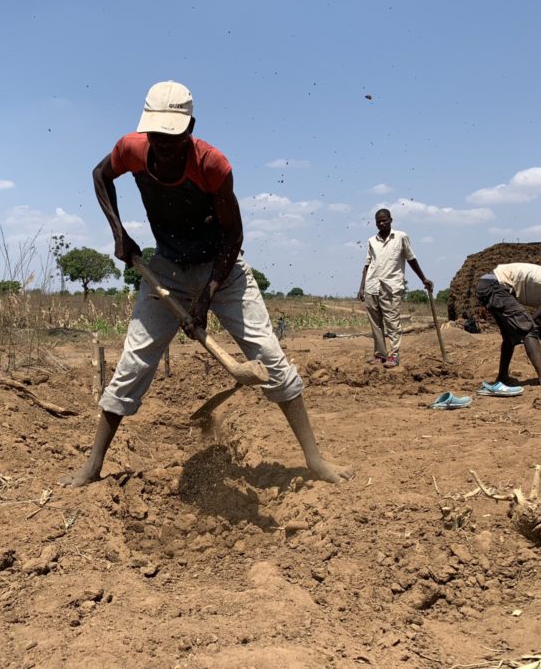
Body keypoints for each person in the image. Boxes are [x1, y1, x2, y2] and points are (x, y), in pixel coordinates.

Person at [59, 81, 352, 488]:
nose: (163, 144)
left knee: (269, 356)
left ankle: (316, 460)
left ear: (190, 127)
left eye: (172, 136)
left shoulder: (212, 165)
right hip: (165, 271)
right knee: (133, 363)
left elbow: (233, 237)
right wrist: (119, 232)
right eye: (156, 135)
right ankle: (93, 466)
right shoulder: (131, 149)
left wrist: (206, 298)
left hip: (223, 269)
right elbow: (99, 175)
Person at [355, 208, 432, 368]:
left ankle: (394, 355)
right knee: (375, 323)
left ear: (391, 220)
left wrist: (423, 278)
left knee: (392, 322)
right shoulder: (372, 241)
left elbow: (411, 259)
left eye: (384, 220)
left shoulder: (401, 237)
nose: (382, 223)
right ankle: (380, 355)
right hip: (372, 286)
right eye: (378, 221)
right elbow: (367, 264)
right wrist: (361, 287)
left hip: (391, 286)